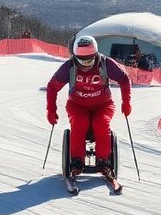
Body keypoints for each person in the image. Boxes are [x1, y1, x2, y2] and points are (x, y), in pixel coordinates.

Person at [45, 35, 133, 182]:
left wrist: (126, 102)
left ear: (96, 54)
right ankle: (77, 161)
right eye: (81, 60)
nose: (85, 63)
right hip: (77, 106)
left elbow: (124, 79)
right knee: (79, 124)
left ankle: (103, 161)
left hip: (103, 105)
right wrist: (51, 110)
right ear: (75, 56)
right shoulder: (70, 66)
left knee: (101, 124)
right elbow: (53, 86)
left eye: (89, 59)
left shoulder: (105, 63)